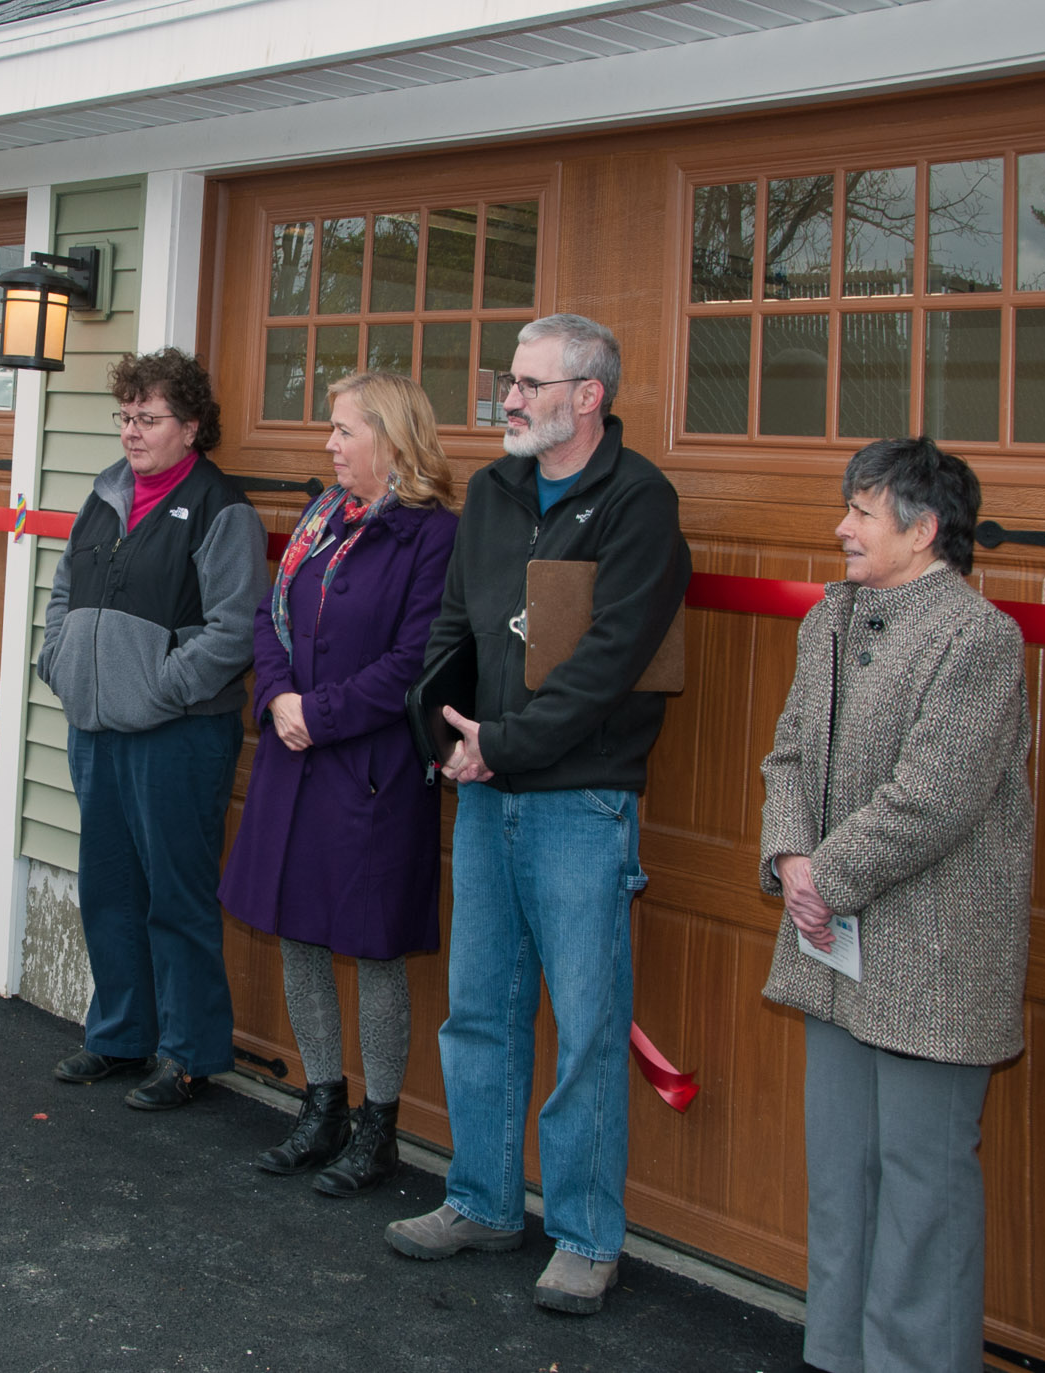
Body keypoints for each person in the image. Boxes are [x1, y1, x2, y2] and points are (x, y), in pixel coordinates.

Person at [384, 314, 689, 1315]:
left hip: (579, 800)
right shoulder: (493, 491)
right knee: (478, 1010)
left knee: (588, 1027)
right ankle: (478, 1200)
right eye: (505, 380)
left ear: (586, 396)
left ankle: (585, 1235)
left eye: (525, 382)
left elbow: (608, 661)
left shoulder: (638, 502)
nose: (505, 398)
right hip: (484, 792)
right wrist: (443, 730)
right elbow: (451, 623)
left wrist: (503, 743)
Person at [759, 437, 1032, 1373]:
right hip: (832, 941)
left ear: (923, 531)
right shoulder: (831, 616)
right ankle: (837, 1357)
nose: (841, 526)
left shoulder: (978, 639)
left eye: (862, 511)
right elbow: (788, 752)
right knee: (842, 1178)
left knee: (924, 1193)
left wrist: (821, 879)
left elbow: (933, 799)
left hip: (934, 961)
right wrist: (792, 857)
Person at [219, 372, 457, 1197]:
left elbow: (416, 660)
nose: (329, 444)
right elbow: (268, 614)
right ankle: (320, 1105)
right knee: (299, 932)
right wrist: (278, 696)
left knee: (374, 947)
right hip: (295, 758)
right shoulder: (323, 519)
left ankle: (378, 1128)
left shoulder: (434, 536)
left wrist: (316, 712)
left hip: (371, 773)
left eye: (344, 429)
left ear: (391, 439)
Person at [35, 347, 269, 1110]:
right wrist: (60, 660)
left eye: (150, 418)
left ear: (191, 426)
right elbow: (65, 589)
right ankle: (119, 1035)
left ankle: (191, 1052)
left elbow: (234, 630)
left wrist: (158, 688)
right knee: (109, 887)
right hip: (96, 726)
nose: (133, 432)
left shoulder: (220, 508)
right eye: (126, 416)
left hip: (178, 735)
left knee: (177, 895)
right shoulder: (105, 494)